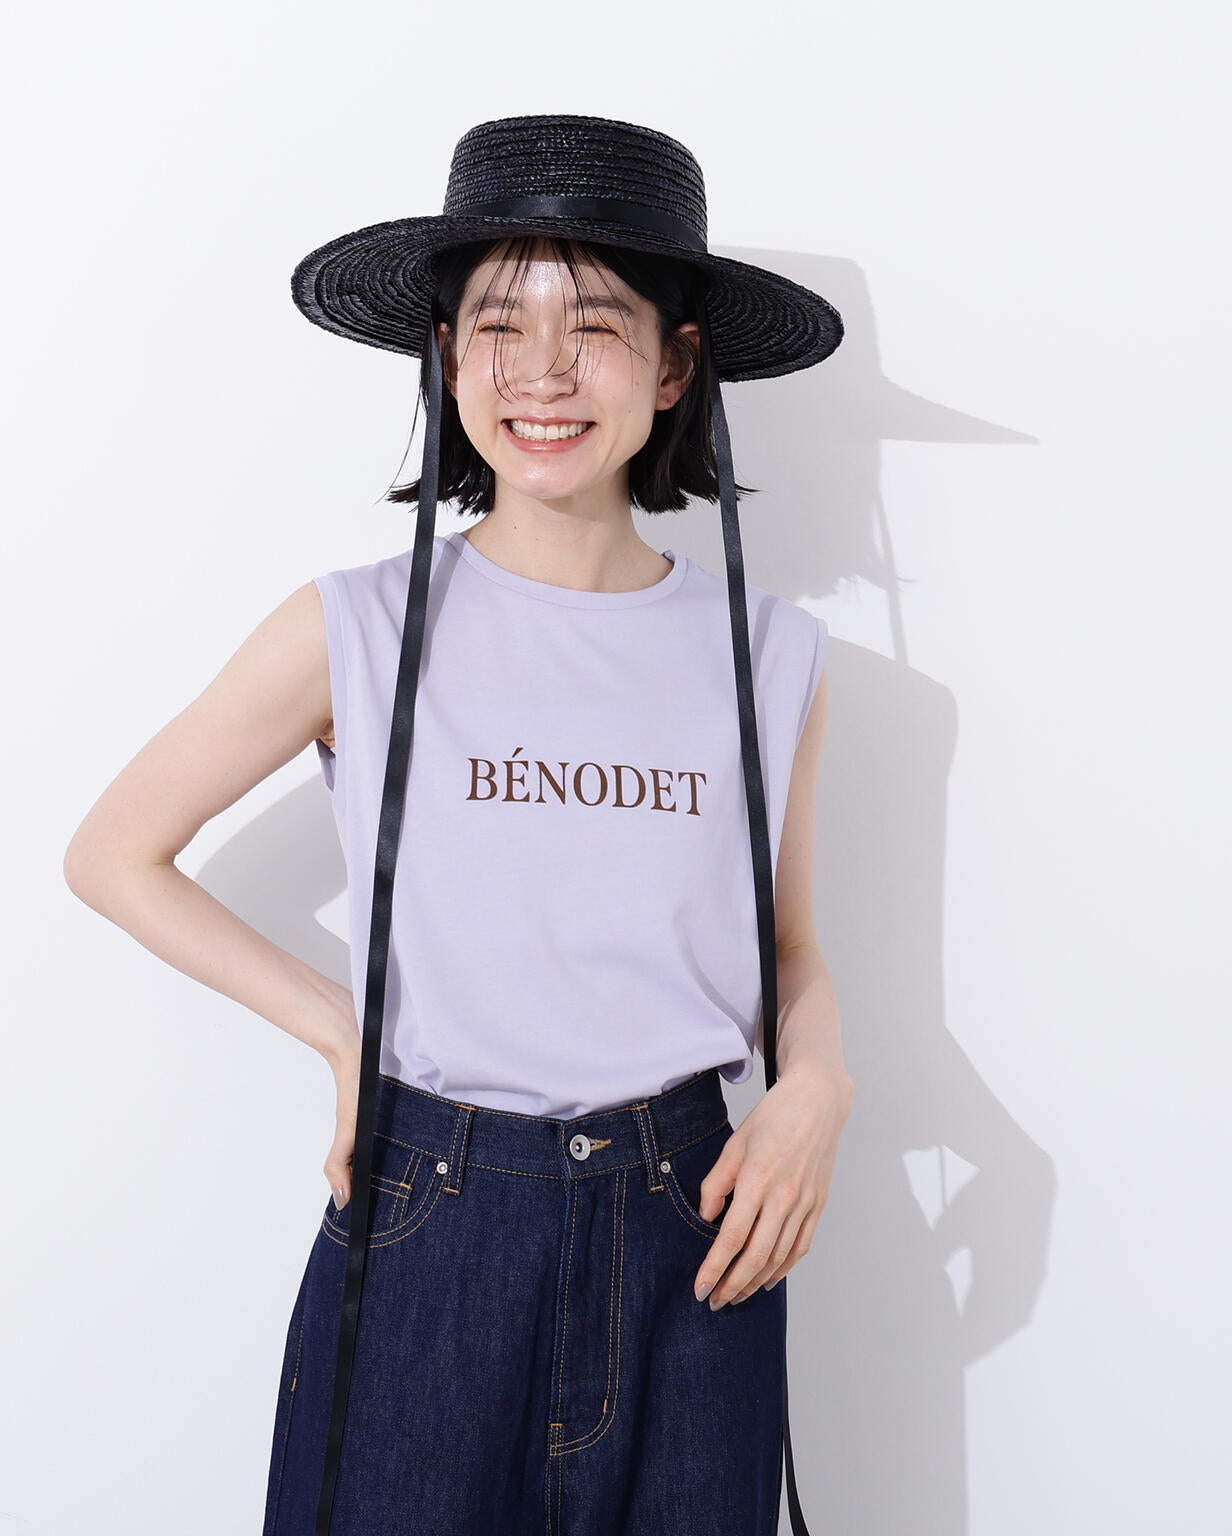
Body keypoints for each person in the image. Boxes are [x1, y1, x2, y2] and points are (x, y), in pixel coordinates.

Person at [64, 115, 855, 1535]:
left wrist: (819, 1088)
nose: (541, 371)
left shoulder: (770, 652)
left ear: (676, 367)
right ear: (444, 356)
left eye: (595, 326)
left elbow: (786, 943)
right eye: (498, 323)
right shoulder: (355, 627)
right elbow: (113, 854)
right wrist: (339, 1030)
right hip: (432, 1218)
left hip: (695, 1225)